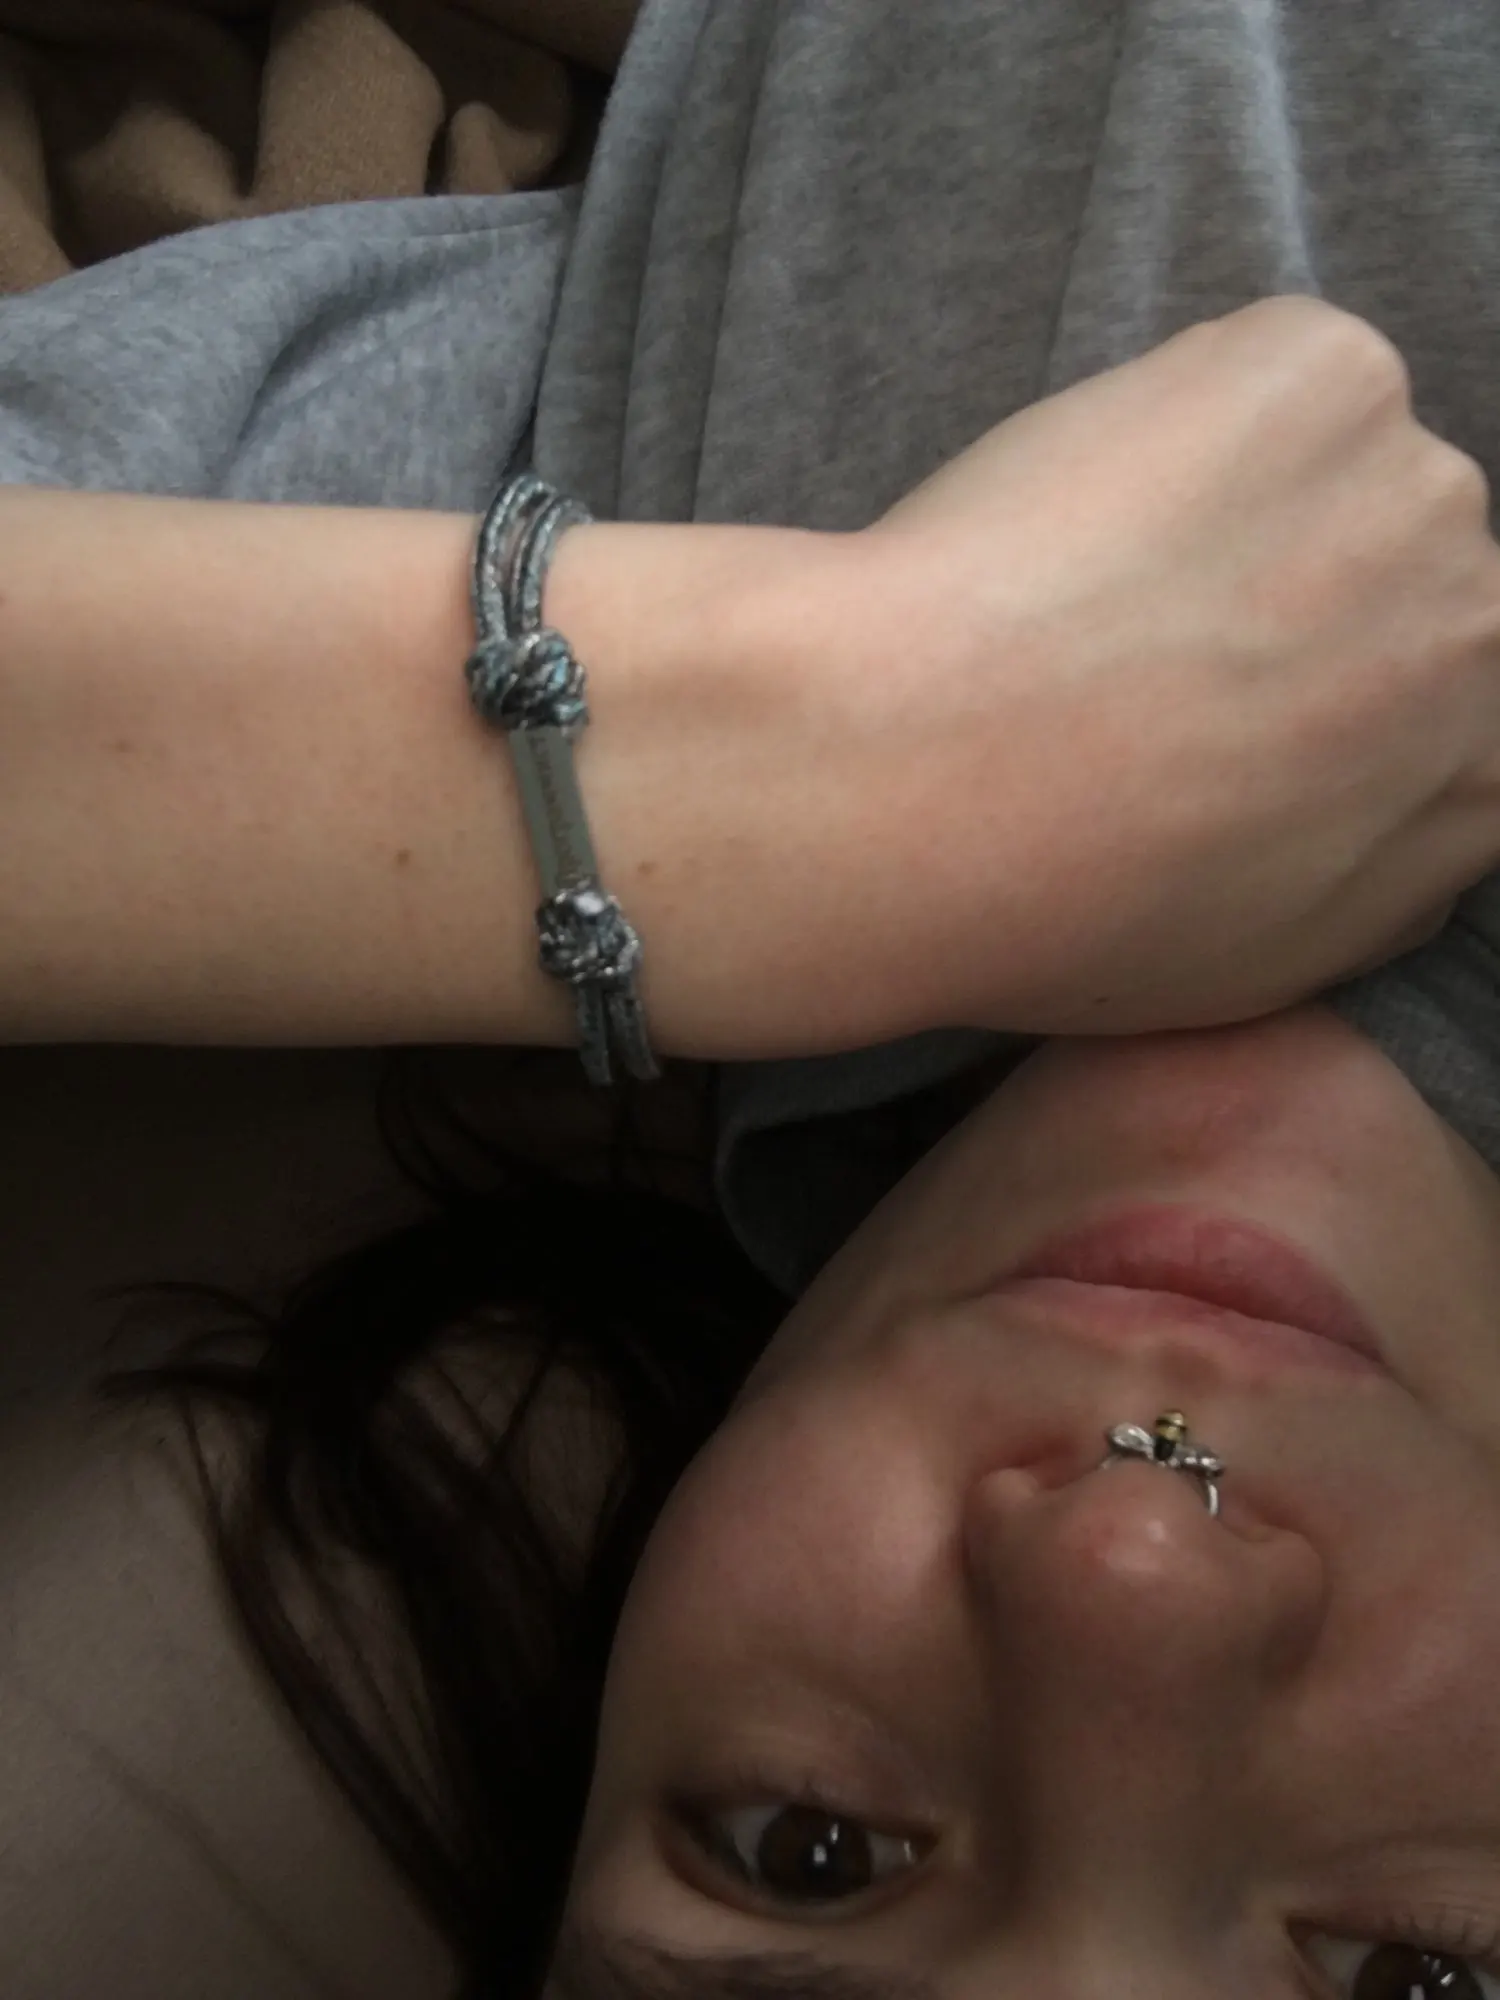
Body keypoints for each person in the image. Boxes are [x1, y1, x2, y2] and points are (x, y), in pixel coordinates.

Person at [4, 1, 1500, 1996]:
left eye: (805, 1847)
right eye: (1414, 1983)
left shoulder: (589, 565)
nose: (1128, 1557)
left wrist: (827, 772)